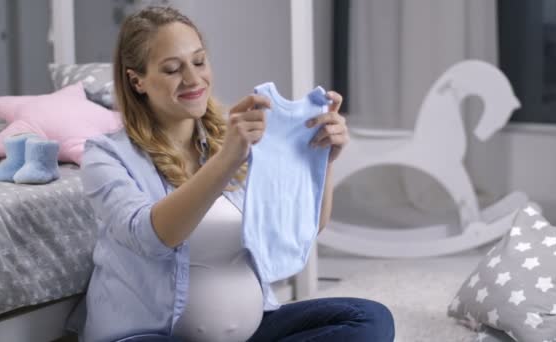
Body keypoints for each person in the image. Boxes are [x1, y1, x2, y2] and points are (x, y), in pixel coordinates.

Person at [76, 6, 395, 342]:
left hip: (251, 331)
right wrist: (225, 160)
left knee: (369, 320)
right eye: (172, 69)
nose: (193, 79)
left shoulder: (230, 138)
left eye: (199, 61)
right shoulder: (105, 155)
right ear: (136, 80)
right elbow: (151, 238)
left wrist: (323, 160)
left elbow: (301, 227)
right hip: (151, 335)